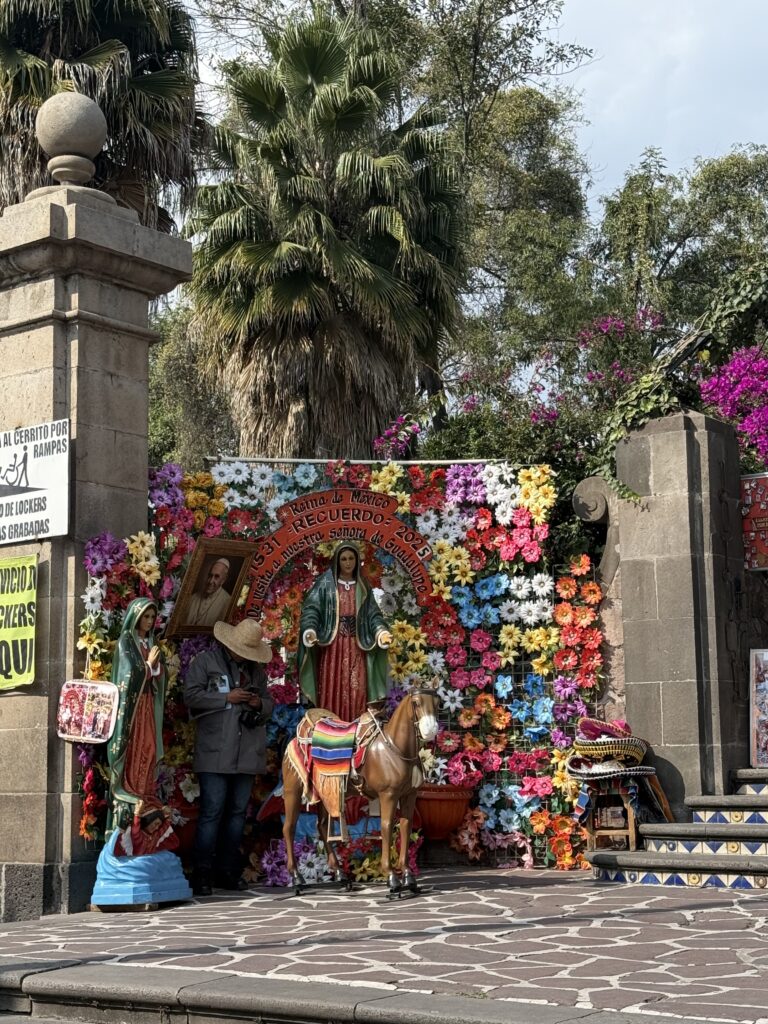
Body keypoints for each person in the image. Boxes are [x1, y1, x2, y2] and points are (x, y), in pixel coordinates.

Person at [184, 617, 274, 895]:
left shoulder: (256, 672)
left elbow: (269, 704)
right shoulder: (205, 662)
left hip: (246, 752)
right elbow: (190, 696)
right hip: (215, 751)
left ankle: (227, 871)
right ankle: (202, 873)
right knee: (212, 811)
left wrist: (259, 703)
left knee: (237, 814)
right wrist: (225, 699)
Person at [298, 543, 392, 721]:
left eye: (351, 558)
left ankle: (356, 727)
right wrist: (310, 629)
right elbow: (312, 608)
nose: (348, 563)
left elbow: (373, 614)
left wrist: (380, 632)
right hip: (332, 647)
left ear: (357, 561)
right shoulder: (326, 582)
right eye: (343, 559)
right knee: (331, 686)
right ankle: (330, 727)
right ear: (337, 561)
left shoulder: (362, 585)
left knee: (358, 687)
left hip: (356, 644)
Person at [107, 597, 166, 833]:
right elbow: (128, 675)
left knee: (148, 748)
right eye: (146, 617)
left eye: (152, 617)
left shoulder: (149, 643)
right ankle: (130, 790)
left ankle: (144, 792)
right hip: (131, 710)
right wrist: (149, 666)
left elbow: (159, 679)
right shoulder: (126, 642)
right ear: (136, 617)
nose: (149, 622)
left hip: (148, 705)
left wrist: (158, 669)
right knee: (134, 748)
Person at [187, 558, 232, 627]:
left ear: (223, 579)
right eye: (210, 575)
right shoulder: (194, 597)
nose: (211, 581)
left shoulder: (227, 602)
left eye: (216, 577)